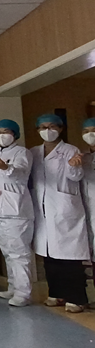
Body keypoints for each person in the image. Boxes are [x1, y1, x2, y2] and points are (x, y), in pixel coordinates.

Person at [30, 114, 91, 313]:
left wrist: (74, 166)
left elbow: (76, 176)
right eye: (43, 127)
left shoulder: (70, 150)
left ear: (61, 128)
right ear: (37, 130)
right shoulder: (34, 152)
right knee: (49, 256)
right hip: (43, 209)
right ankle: (56, 293)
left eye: (52, 126)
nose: (48, 131)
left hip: (65, 208)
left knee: (69, 258)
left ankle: (77, 298)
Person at [0, 119, 34, 307]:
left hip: (16, 210)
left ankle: (23, 292)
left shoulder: (22, 153)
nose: (2, 135)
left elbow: (21, 174)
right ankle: (12, 286)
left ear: (15, 134)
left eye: (6, 131)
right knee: (7, 252)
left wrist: (6, 167)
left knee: (19, 253)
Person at [79, 118, 95, 282]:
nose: (90, 135)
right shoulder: (83, 157)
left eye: (93, 130)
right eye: (86, 131)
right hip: (88, 208)